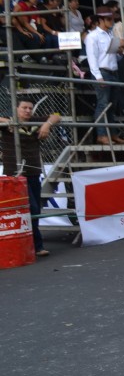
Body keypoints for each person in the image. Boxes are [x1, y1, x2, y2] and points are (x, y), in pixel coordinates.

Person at [0, 97, 60, 257]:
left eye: (30, 108)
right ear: (16, 109)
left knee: (35, 209)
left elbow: (56, 115)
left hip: (34, 173)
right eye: (24, 108)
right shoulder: (8, 124)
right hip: (15, 174)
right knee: (29, 208)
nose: (27, 111)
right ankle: (36, 245)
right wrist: (7, 121)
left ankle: (34, 245)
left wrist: (48, 124)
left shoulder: (35, 120)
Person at [84, 8, 124, 145]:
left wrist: (120, 51)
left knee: (111, 105)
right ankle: (102, 135)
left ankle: (111, 134)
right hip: (103, 72)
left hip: (112, 71)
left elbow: (111, 55)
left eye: (112, 19)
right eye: (108, 19)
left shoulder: (109, 35)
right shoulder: (92, 36)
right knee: (103, 104)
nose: (111, 21)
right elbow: (92, 57)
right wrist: (98, 76)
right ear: (100, 20)